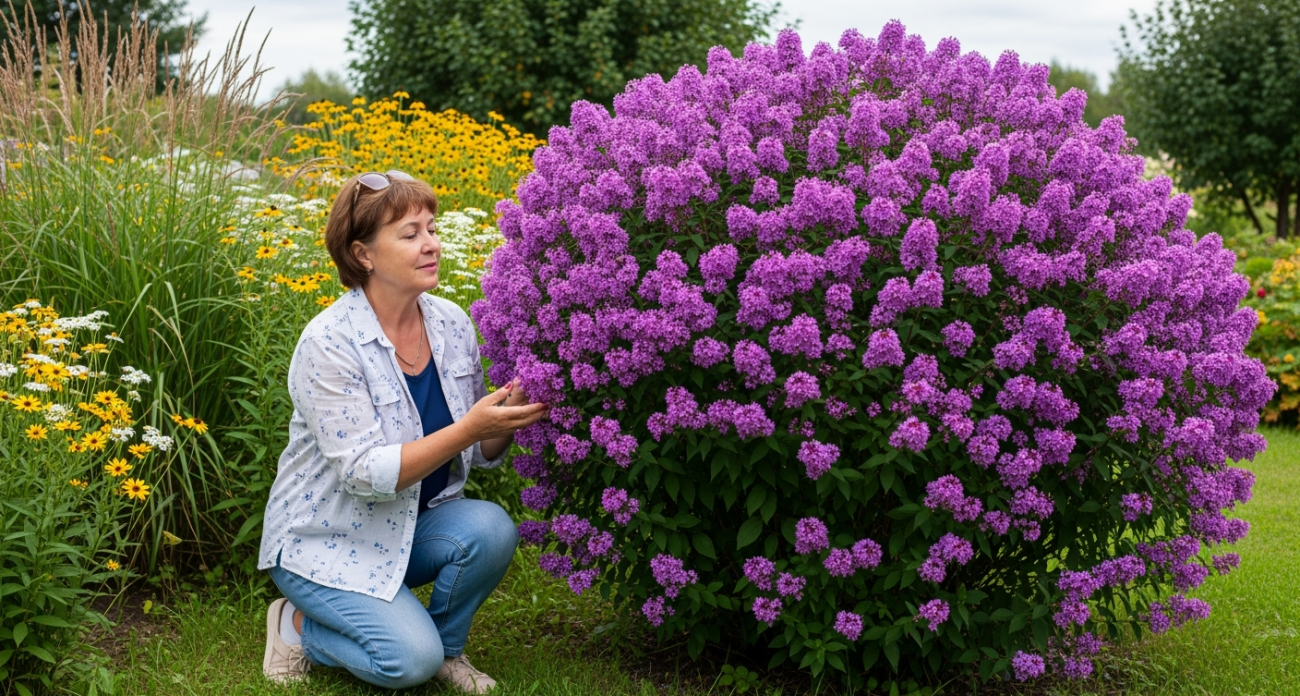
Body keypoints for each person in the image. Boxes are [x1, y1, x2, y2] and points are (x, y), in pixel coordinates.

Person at [255, 170, 549, 693]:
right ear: (363, 254)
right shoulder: (329, 343)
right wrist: (469, 427)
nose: (431, 244)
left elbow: (483, 452)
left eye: (431, 229)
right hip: (325, 540)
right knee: (406, 664)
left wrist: (510, 410)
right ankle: (298, 627)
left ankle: (444, 650)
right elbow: (365, 476)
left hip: (409, 526)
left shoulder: (452, 322)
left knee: (492, 528)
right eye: (410, 234)